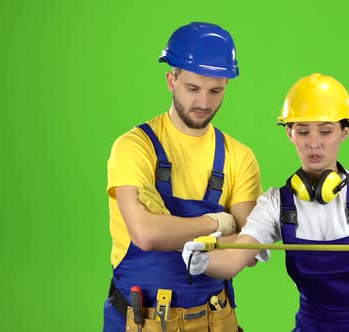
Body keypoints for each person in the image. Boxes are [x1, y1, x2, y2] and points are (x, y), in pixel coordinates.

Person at [181, 73, 349, 331]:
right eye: (303, 131)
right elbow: (235, 259)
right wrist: (204, 262)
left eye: (325, 131)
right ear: (290, 134)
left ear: (344, 131)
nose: (314, 143)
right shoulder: (276, 203)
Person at [102, 22, 262, 332]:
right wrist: (216, 224)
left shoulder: (238, 157)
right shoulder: (135, 148)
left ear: (227, 85)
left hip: (215, 322)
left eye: (215, 90)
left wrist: (173, 233)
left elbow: (249, 250)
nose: (204, 102)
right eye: (193, 88)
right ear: (171, 80)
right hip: (139, 322)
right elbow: (146, 234)